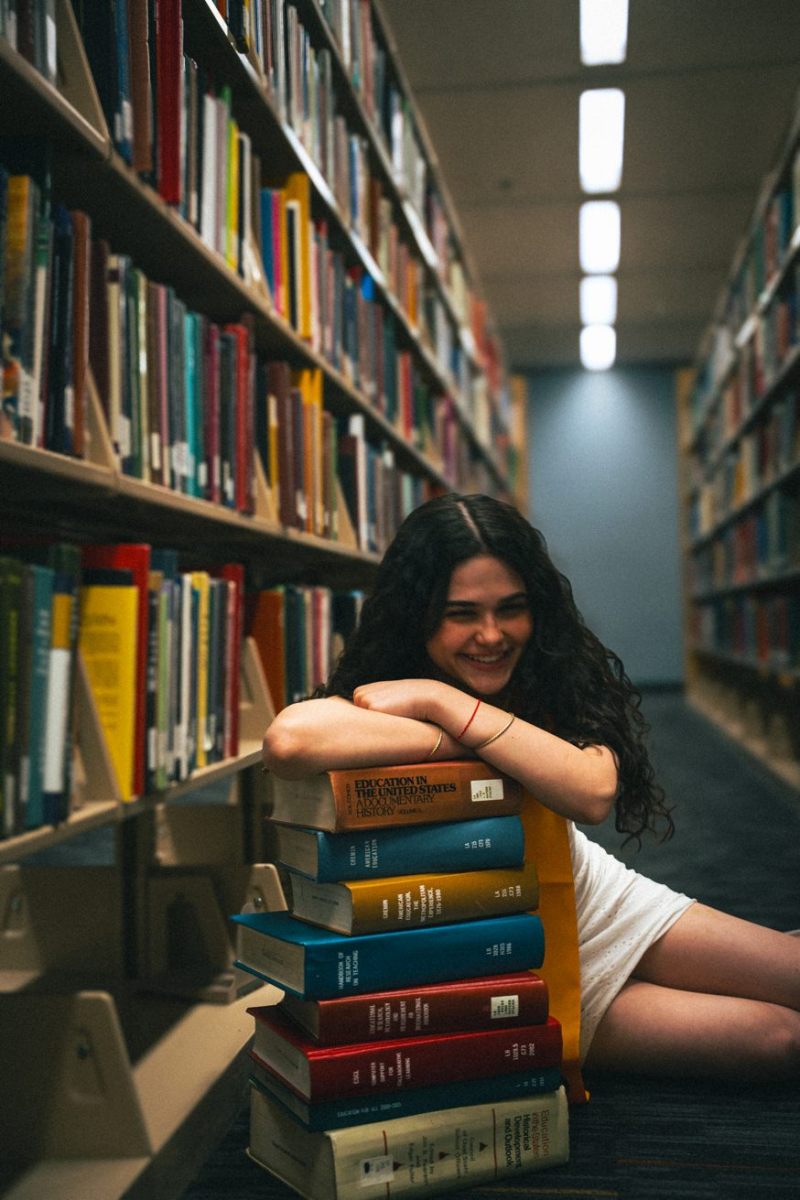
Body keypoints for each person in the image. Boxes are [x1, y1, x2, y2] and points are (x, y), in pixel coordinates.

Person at [263, 492, 800, 1081]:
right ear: (417, 615)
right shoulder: (383, 689)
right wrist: (493, 737)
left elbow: (591, 791)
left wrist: (442, 702)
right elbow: (290, 742)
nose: (491, 635)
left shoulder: (549, 675)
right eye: (462, 613)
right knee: (778, 1039)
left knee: (790, 972)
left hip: (591, 905)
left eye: (511, 609)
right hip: (494, 964)